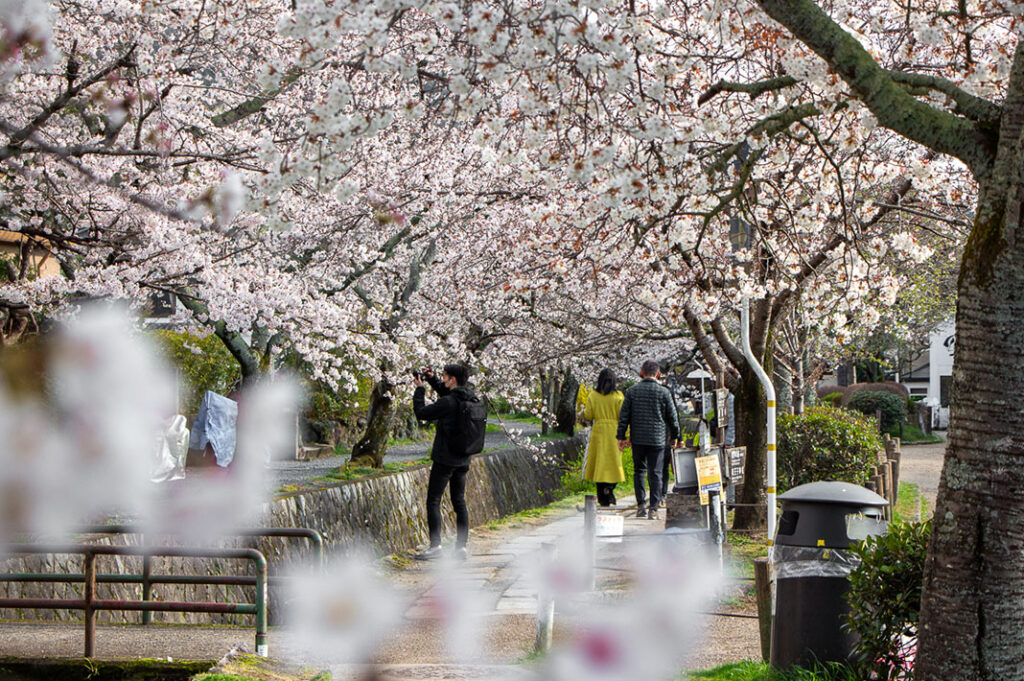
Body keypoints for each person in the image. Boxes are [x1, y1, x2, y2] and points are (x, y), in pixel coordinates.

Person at [412, 364, 478, 560]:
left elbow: (421, 413)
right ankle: (461, 548)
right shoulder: (471, 398)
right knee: (459, 501)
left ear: (453, 380)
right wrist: (432, 380)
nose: (443, 379)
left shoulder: (449, 403)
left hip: (444, 459)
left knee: (433, 500)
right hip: (463, 458)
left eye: (444, 377)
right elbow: (449, 396)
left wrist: (420, 389)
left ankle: (435, 547)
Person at [617, 359, 681, 520]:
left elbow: (624, 417)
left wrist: (621, 437)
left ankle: (640, 506)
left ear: (641, 373)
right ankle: (653, 508)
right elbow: (673, 418)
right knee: (656, 473)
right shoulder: (664, 392)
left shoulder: (632, 391)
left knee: (639, 471)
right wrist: (676, 437)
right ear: (658, 374)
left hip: (638, 438)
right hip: (658, 439)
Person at [582, 368, 625, 507]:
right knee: (615, 464)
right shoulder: (618, 396)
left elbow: (588, 415)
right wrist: (626, 435)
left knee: (599, 466)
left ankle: (603, 498)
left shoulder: (593, 396)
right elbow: (623, 416)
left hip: (599, 432)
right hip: (614, 431)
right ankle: (610, 488)